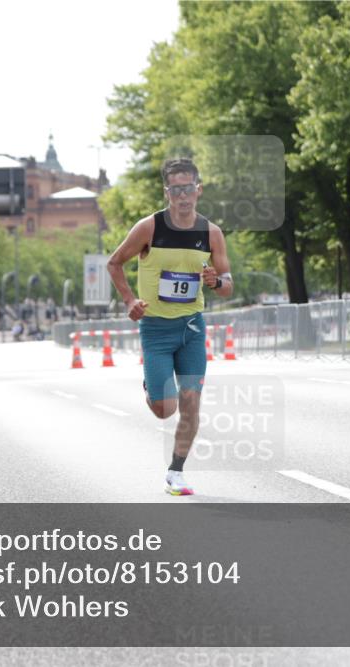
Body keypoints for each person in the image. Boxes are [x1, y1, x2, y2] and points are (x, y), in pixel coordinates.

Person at [107, 157, 233, 496]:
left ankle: (176, 472)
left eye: (188, 188)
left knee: (191, 402)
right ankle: (152, 388)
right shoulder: (149, 228)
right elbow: (114, 263)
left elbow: (227, 284)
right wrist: (130, 301)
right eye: (175, 189)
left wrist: (214, 281)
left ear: (198, 190)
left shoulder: (211, 233)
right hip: (157, 329)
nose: (182, 195)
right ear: (167, 192)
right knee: (166, 409)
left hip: (192, 328)